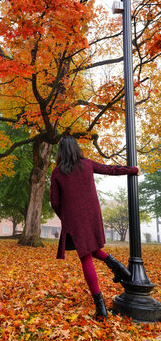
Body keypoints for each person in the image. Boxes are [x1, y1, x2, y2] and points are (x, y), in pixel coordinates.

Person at [50, 135, 140, 320]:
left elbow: (55, 202)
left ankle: (100, 307)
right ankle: (119, 268)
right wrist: (132, 170)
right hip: (91, 214)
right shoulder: (87, 164)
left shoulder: (57, 172)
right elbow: (110, 170)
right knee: (91, 249)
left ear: (60, 151)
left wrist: (65, 217)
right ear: (76, 148)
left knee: (85, 256)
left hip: (73, 218)